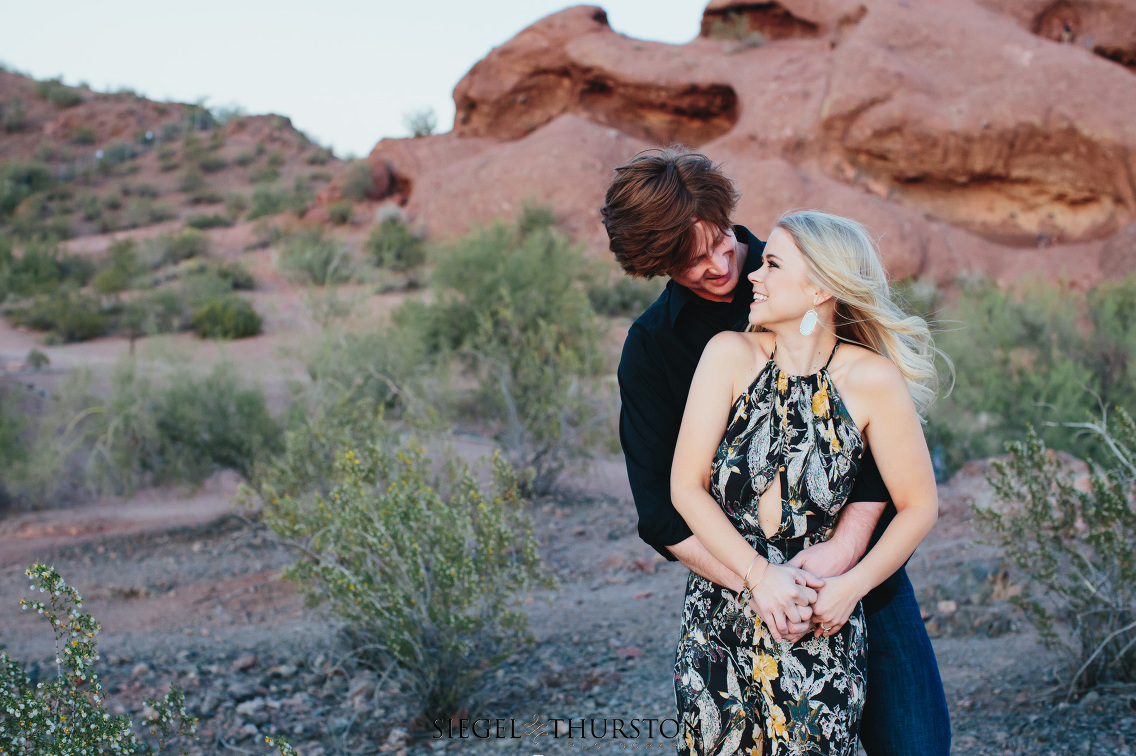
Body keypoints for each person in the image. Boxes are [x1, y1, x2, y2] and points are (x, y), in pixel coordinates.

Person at [602, 148, 950, 755]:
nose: (720, 267)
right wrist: (758, 582)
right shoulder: (655, 349)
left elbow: (880, 437)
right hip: (737, 598)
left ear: (724, 213)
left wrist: (845, 555)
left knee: (915, 743)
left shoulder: (809, 264)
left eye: (719, 243)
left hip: (863, 581)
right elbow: (663, 507)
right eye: (688, 262)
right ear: (655, 265)